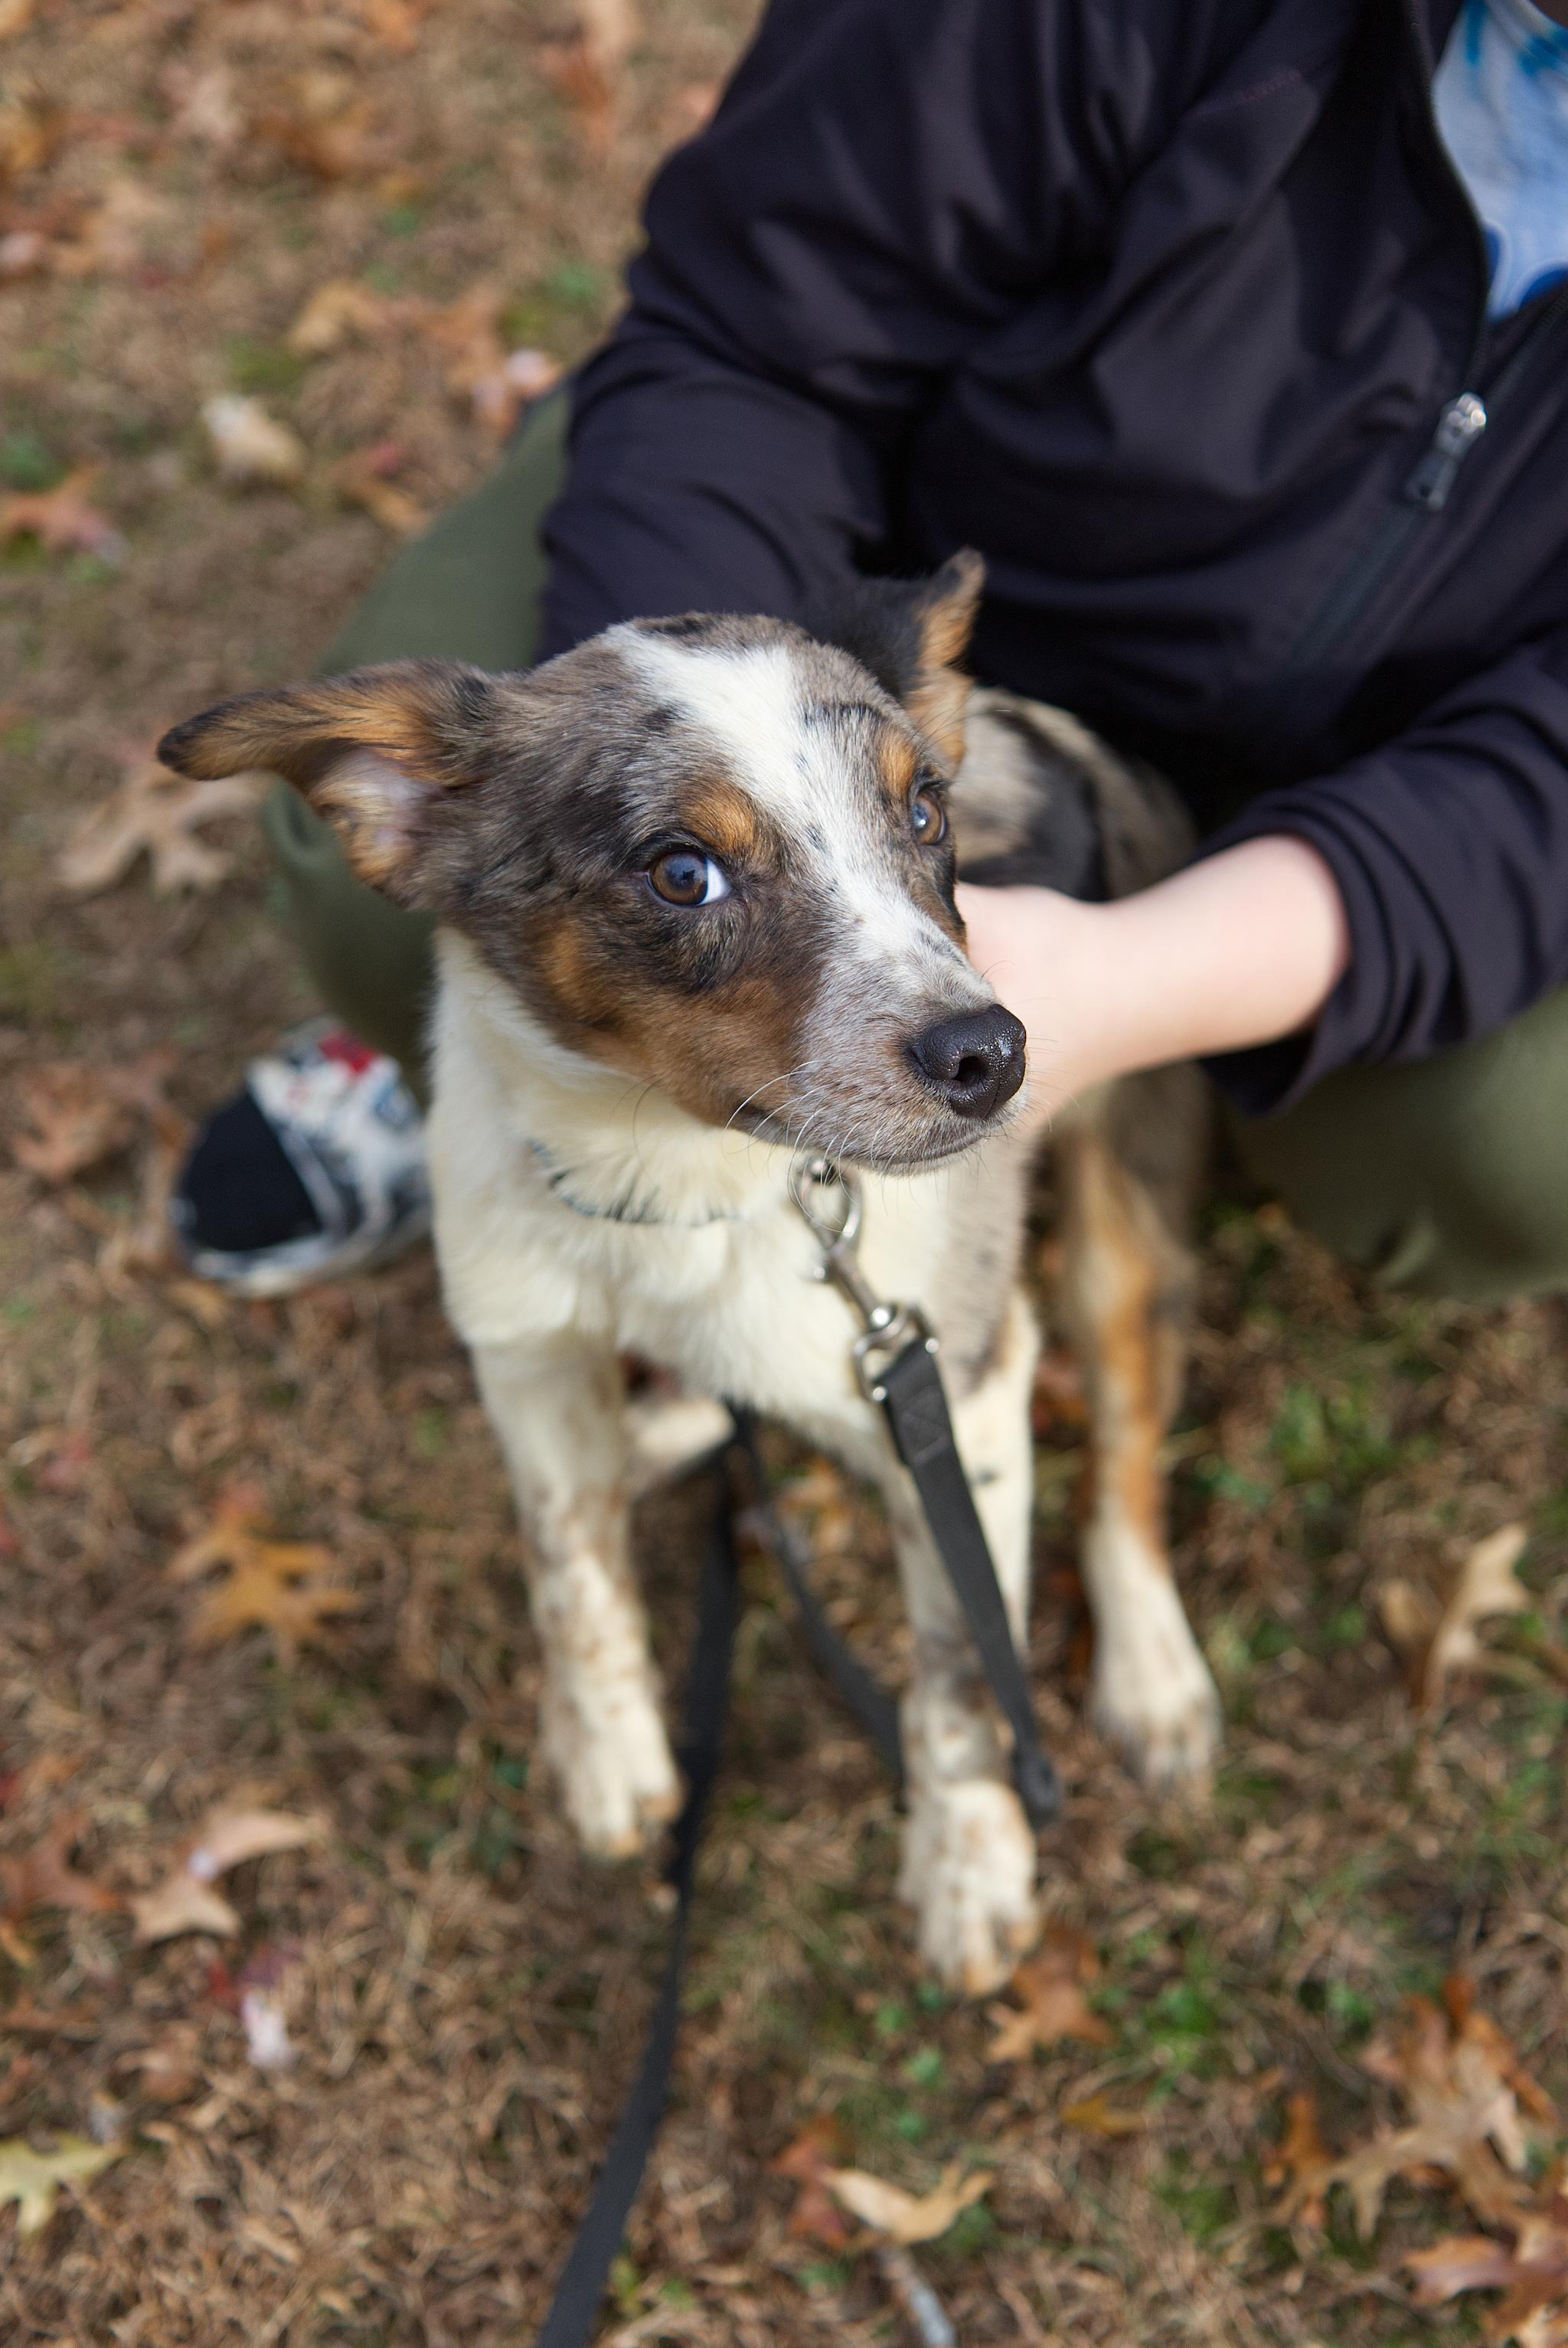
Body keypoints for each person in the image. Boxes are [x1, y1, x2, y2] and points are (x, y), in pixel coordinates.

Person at [175, 0, 1568, 1304]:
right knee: (427, 877)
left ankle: (1194, 1086)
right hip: (854, 594)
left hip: (1405, 769)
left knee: (1511, 1160)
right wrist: (704, 773)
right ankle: (531, 1083)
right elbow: (763, 332)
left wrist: (1141, 978)